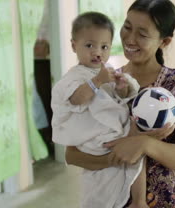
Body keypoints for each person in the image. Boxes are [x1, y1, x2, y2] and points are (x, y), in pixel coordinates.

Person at [65, 0, 175, 208]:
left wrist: (144, 143)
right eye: (127, 27)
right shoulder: (104, 83)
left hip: (161, 201)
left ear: (164, 42)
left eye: (142, 34)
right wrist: (116, 156)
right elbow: (72, 154)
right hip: (106, 198)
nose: (129, 39)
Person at [51, 12, 149, 208]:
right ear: (73, 46)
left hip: (114, 132)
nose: (97, 52)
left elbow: (120, 98)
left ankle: (139, 201)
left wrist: (122, 87)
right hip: (94, 139)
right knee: (101, 186)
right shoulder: (74, 77)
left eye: (104, 47)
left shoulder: (108, 72)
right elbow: (77, 99)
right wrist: (97, 81)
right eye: (89, 45)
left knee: (137, 154)